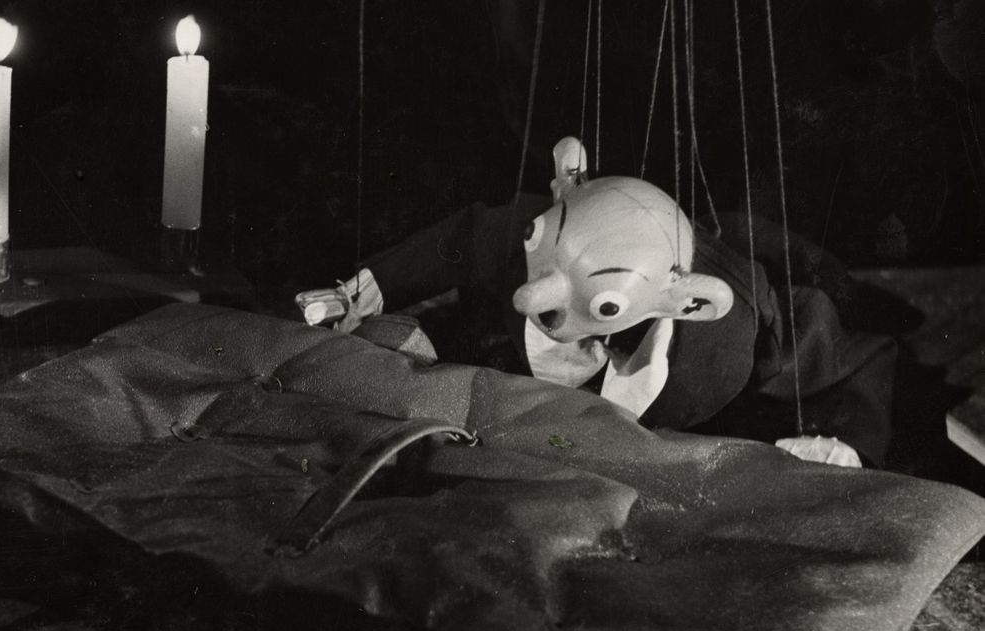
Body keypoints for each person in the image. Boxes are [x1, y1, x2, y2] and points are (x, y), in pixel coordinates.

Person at [296, 138, 895, 467]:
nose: (531, 294)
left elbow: (856, 358)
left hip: (735, 248)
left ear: (691, 305)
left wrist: (844, 440)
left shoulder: (738, 323)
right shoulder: (530, 233)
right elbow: (457, 242)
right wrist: (360, 291)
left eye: (602, 302)